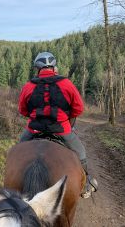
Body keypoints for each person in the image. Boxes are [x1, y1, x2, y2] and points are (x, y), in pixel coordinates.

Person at [18, 51, 98, 198]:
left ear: (38, 69)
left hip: (34, 130)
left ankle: (12, 183)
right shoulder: (66, 83)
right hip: (61, 130)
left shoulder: (29, 86)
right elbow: (79, 108)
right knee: (80, 152)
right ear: (54, 67)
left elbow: (23, 110)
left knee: (17, 150)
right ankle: (86, 184)